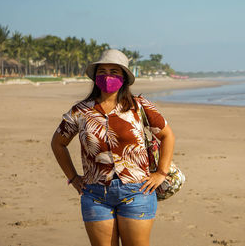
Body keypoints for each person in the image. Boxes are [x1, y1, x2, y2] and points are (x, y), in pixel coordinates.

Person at [50, 49, 175, 246]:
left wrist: (161, 172)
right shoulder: (81, 111)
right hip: (95, 194)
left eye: (114, 72)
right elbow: (58, 143)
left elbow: (167, 135)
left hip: (137, 191)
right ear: (95, 76)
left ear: (124, 77)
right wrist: (73, 178)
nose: (108, 76)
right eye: (103, 71)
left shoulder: (139, 106)